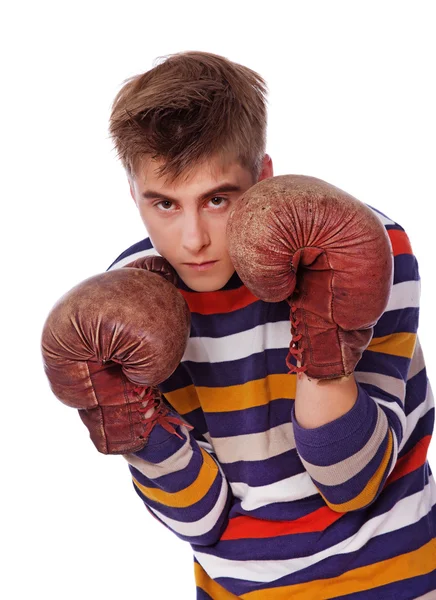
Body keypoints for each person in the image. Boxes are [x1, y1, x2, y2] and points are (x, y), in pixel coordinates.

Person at [66, 51, 436, 598]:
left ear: (263, 175)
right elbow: (199, 519)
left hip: (398, 580)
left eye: (217, 199)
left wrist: (324, 342)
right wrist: (128, 425)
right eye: (164, 204)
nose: (193, 239)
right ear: (132, 193)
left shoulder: (362, 243)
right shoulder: (131, 305)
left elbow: (354, 483)